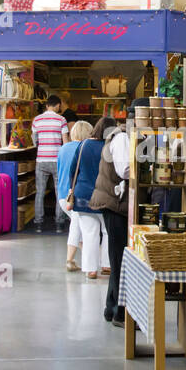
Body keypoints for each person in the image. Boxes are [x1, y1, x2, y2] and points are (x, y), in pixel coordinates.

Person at [89, 116, 131, 326]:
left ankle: (110, 307)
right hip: (114, 204)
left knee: (118, 258)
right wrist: (144, 172)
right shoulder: (122, 138)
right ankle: (118, 313)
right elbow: (124, 170)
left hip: (111, 202)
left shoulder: (117, 137)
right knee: (120, 260)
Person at [63, 118, 113, 280]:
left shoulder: (83, 145)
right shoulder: (110, 147)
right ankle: (106, 265)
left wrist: (73, 188)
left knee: (89, 234)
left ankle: (91, 270)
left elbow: (73, 171)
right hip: (106, 195)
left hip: (83, 195)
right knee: (107, 232)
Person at [56, 120, 92, 271]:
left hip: (63, 195)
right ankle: (71, 260)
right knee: (77, 226)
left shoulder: (63, 148)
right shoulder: (84, 148)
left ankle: (88, 259)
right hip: (76, 195)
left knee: (79, 225)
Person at [32, 95, 67, 231]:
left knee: (39, 192)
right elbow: (66, 142)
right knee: (60, 192)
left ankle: (39, 224)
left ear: (47, 105)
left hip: (41, 160)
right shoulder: (61, 120)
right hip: (57, 160)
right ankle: (59, 223)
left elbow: (35, 141)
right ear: (58, 105)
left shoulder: (37, 120)